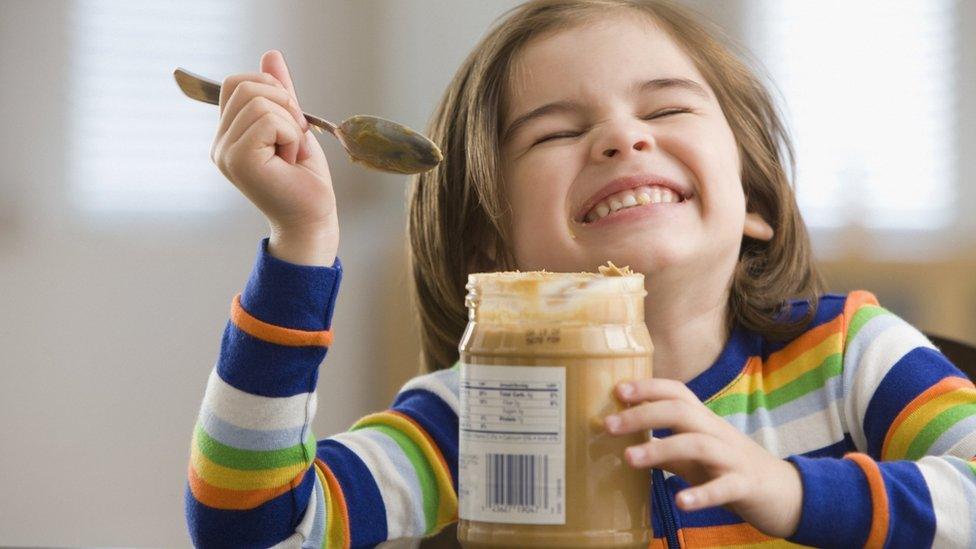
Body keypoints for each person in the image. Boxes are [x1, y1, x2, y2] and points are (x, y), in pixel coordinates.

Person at [184, 1, 976, 547]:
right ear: (490, 252)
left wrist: (794, 491)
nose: (621, 137)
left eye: (664, 111)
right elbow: (259, 528)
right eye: (556, 132)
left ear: (755, 204)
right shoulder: (477, 414)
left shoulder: (851, 355)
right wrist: (301, 238)